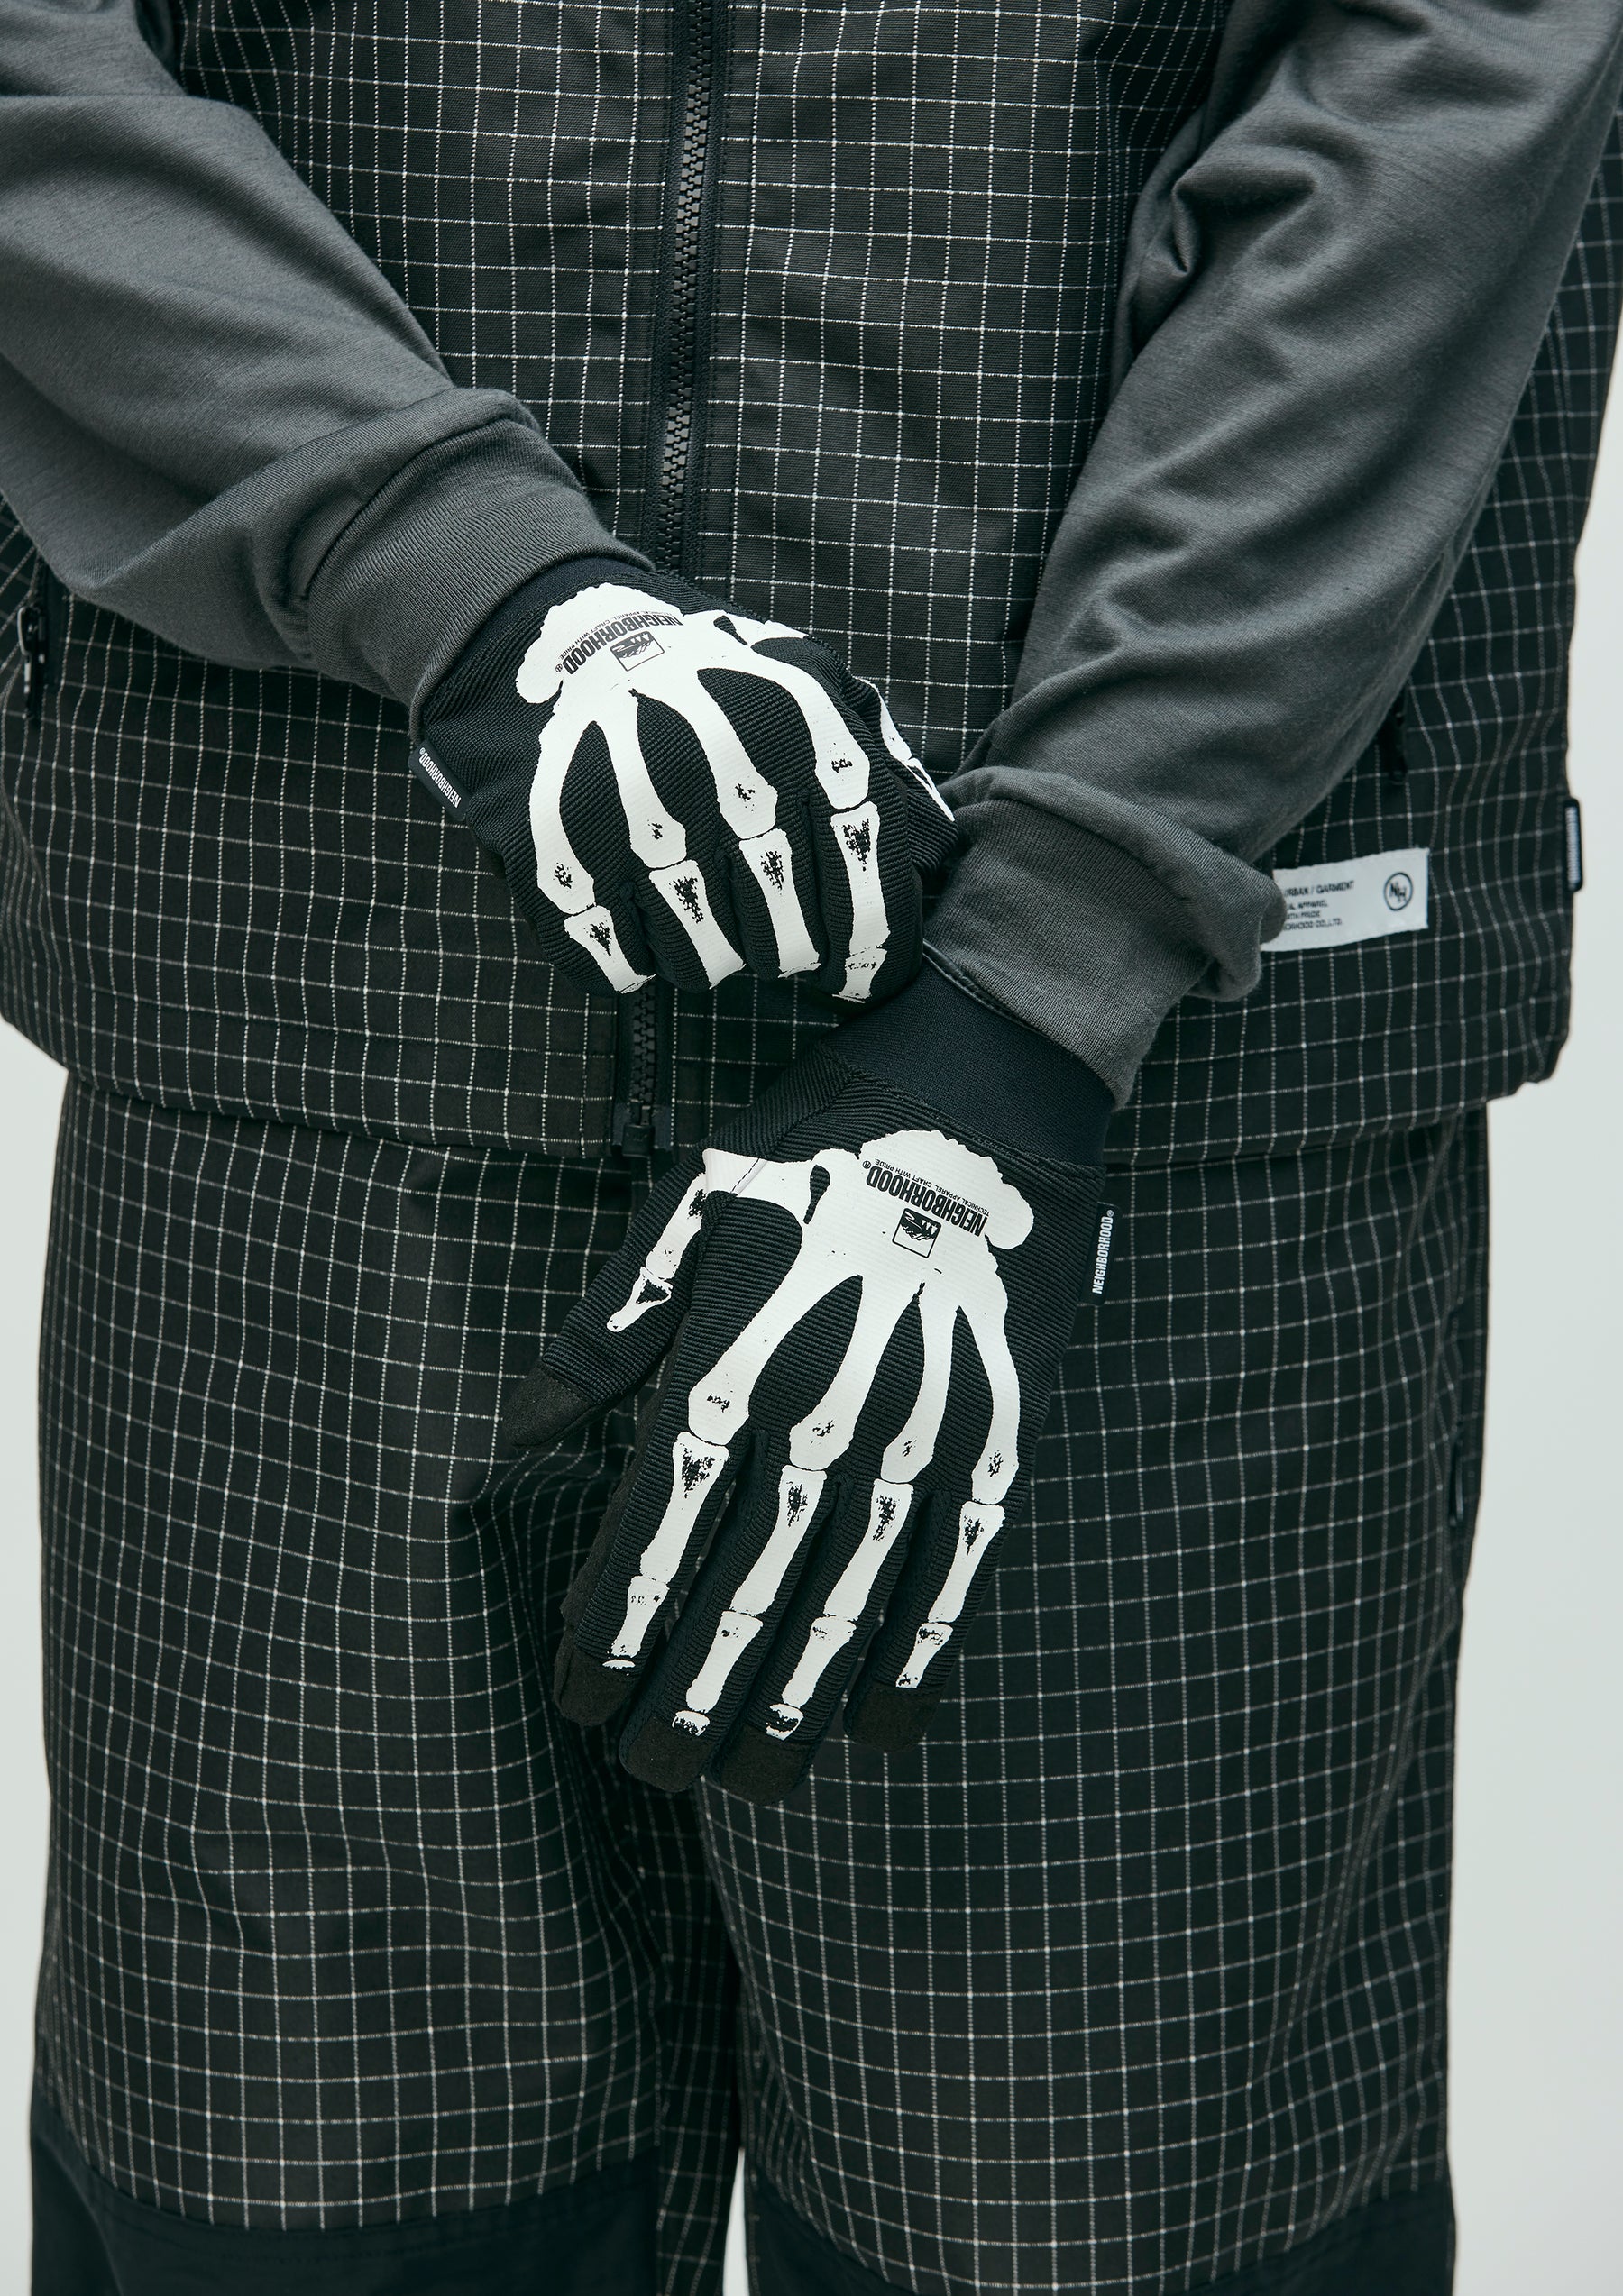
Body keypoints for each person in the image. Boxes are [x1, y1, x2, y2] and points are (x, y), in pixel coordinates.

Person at [2, 0, 1619, 2288]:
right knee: (296, 2229)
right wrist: (454, 562)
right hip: (313, 1012)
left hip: (1141, 1123)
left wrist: (1047, 972)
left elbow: (1438, 95)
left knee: (1099, 2231)